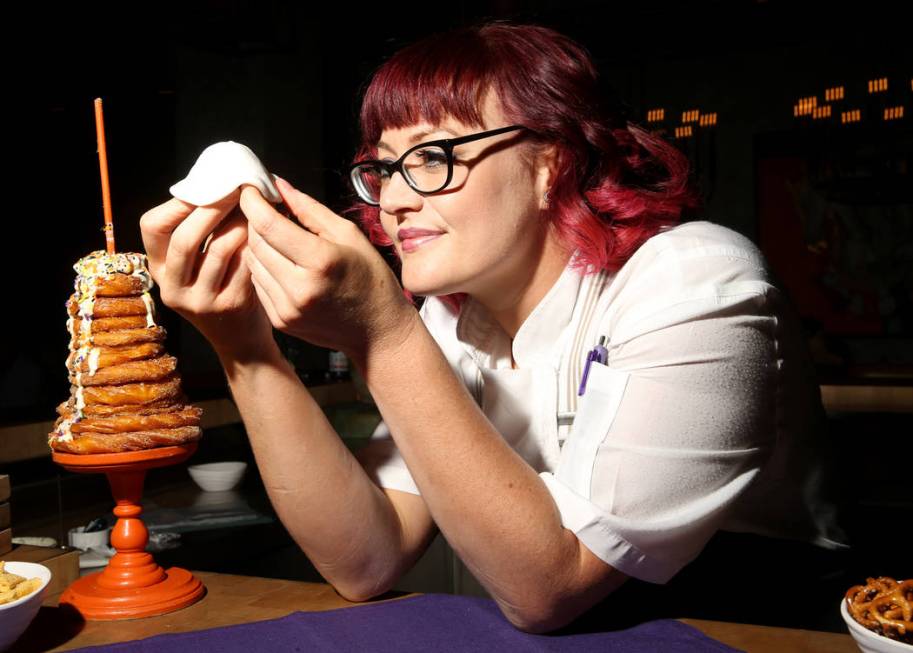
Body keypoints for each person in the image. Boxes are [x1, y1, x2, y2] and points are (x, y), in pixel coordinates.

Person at [140, 22, 845, 633]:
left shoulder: (695, 280)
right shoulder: (458, 317)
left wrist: (383, 334)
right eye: (383, 167)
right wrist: (243, 346)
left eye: (431, 157)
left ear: (551, 162)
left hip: (756, 625)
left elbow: (551, 586)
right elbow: (366, 558)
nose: (393, 200)